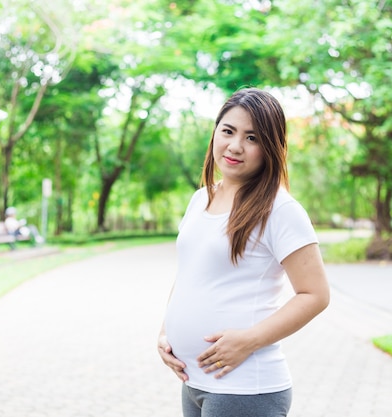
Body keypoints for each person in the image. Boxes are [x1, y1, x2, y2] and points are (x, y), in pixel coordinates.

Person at [157, 88, 330, 417]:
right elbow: (190, 275)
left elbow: (316, 294)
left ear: (270, 148)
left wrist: (249, 340)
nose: (235, 146)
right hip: (194, 382)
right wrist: (166, 332)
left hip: (245, 389)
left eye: (252, 138)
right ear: (215, 132)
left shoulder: (279, 210)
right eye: (228, 131)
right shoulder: (200, 199)